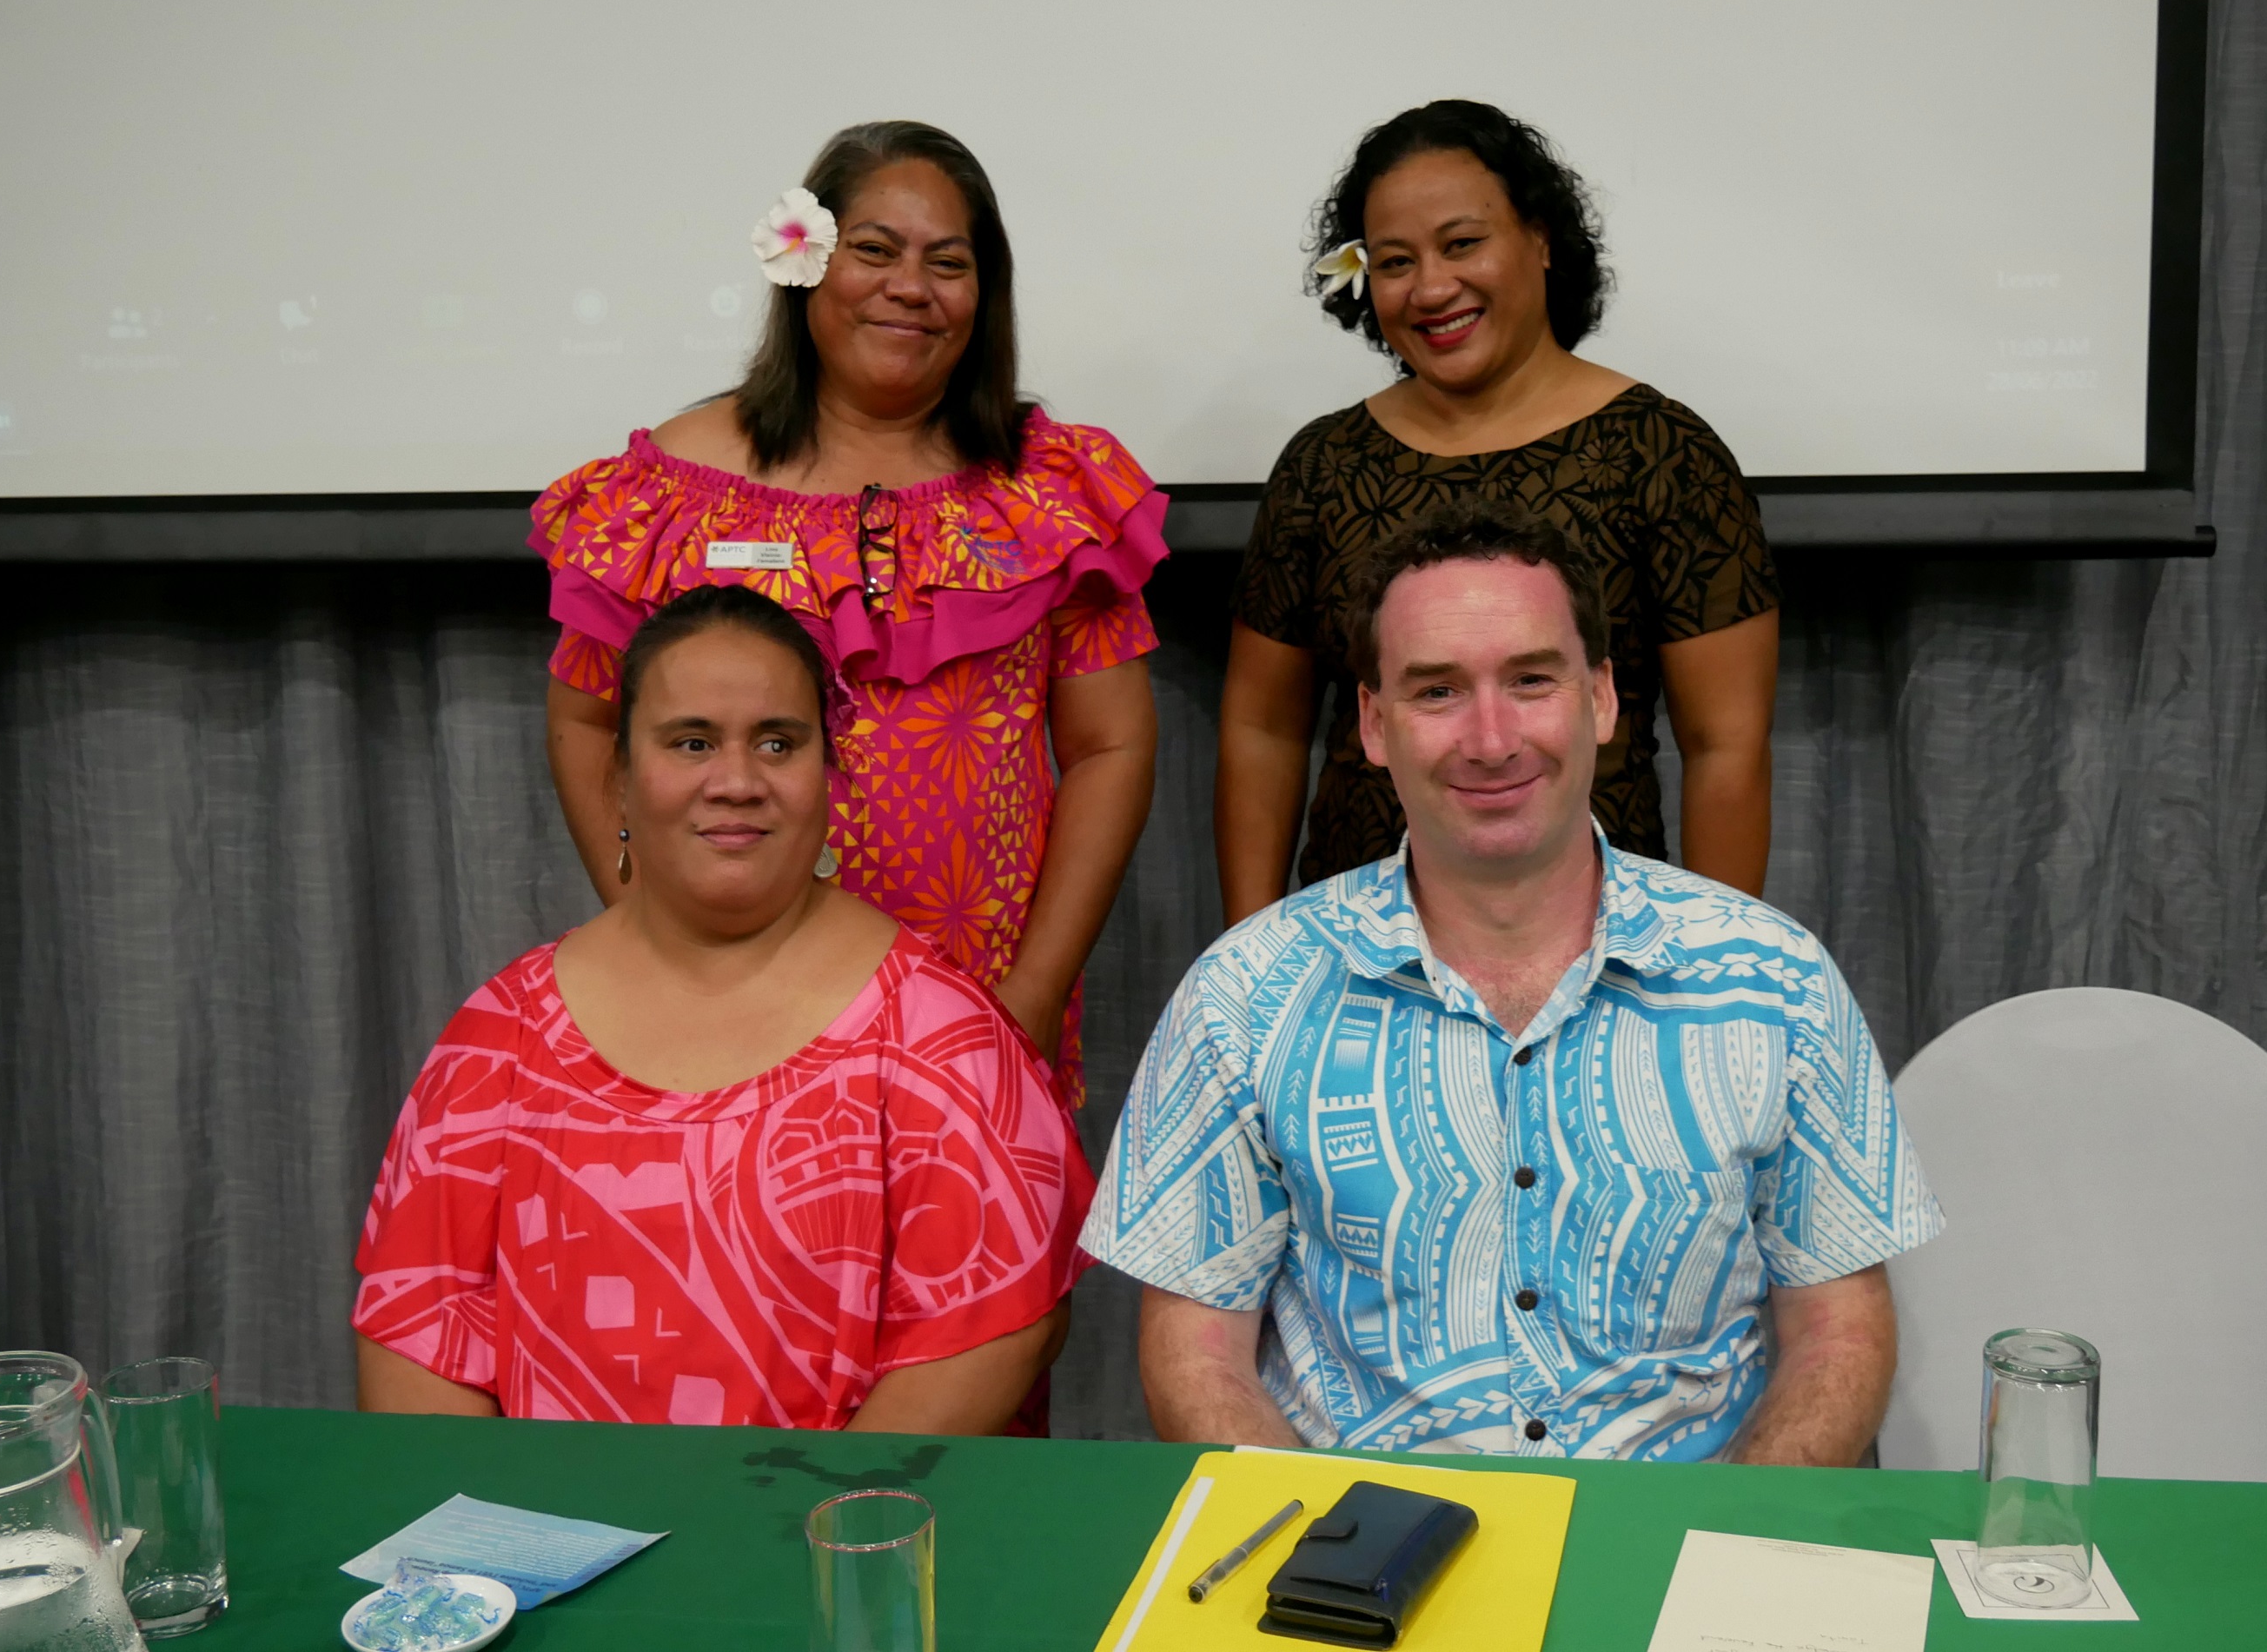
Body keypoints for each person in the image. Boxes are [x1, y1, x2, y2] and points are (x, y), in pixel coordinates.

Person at [1085, 501, 1939, 1463]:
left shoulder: (1776, 981)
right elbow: (1196, 1355)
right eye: (1437, 692)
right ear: (1372, 722)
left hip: (1684, 1553)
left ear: (1603, 699)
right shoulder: (1244, 996)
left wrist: (1717, 1538)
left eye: (1531, 680)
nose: (1492, 739)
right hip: (1359, 1571)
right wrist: (1322, 1560)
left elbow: (1843, 1332)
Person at [355, 587, 1092, 1432]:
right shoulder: (502, 1037)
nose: (736, 781)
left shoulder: (942, 1039)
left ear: (829, 775)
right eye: (692, 742)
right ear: (622, 780)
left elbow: (992, 1335)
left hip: (824, 1547)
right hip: (536, 1556)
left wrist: (787, 1551)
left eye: (777, 743)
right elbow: (421, 1338)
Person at [535, 120, 1164, 1107]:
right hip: (725, 1003)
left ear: (983, 292)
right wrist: (648, 933)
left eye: (946, 262)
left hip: (980, 1013)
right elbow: (583, 721)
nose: (909, 287)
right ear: (805, 266)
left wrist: (1035, 993)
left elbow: (1111, 749)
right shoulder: (669, 489)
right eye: (873, 251)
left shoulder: (1045, 491)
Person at [1218, 99, 1779, 926]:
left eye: (1463, 244)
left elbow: (1725, 749)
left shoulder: (1664, 452)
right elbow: (1262, 732)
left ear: (1543, 240)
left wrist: (1712, 972)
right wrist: (1253, 963)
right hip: (1356, 955)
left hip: (1597, 954)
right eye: (1395, 261)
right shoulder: (1323, 465)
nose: (1432, 287)